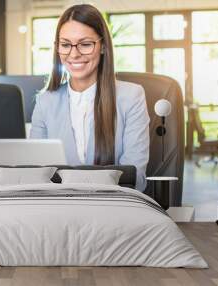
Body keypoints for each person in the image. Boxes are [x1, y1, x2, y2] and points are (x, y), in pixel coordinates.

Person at [30, 4, 150, 191]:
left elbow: (136, 179)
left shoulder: (131, 97)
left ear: (102, 47)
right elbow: (35, 176)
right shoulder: (45, 102)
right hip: (58, 210)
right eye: (66, 45)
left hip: (113, 209)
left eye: (85, 44)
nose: (74, 54)